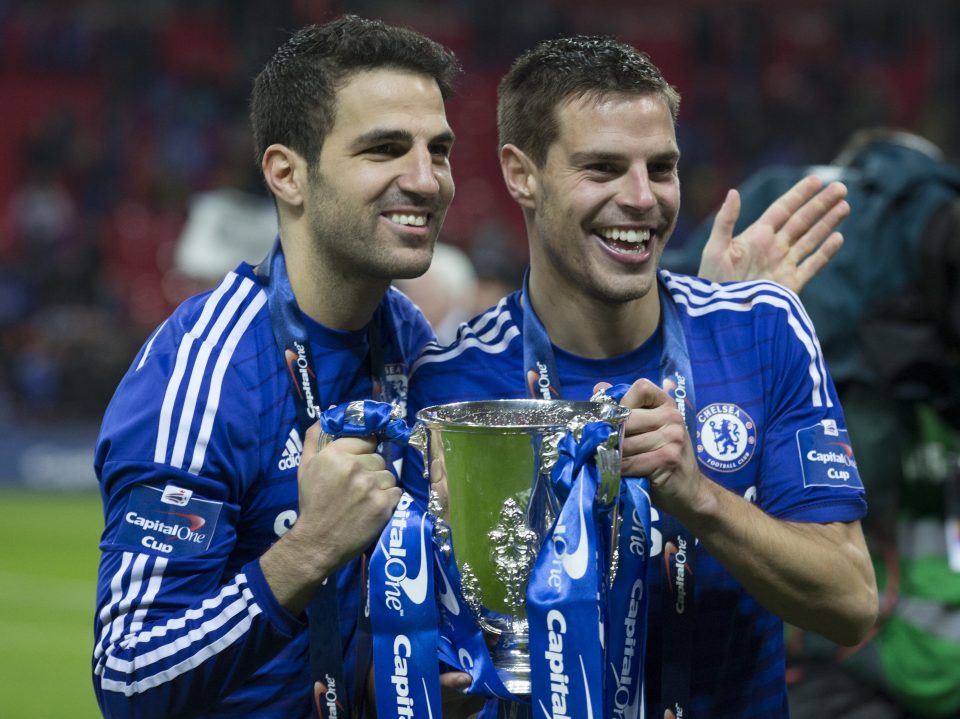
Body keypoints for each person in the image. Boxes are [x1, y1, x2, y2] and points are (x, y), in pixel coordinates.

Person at [405, 35, 878, 717]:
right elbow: (412, 671)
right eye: (602, 168)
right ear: (521, 173)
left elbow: (852, 604)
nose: (641, 199)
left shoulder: (762, 328)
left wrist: (700, 496)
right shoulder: (452, 387)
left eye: (661, 168)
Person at [90, 16, 470, 718]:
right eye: (386, 148)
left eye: (438, 150)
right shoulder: (205, 374)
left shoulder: (412, 344)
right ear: (287, 174)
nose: (427, 180)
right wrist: (309, 549)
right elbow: (127, 677)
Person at [675, 129, 960, 719]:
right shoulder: (918, 382)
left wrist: (715, 314)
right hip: (863, 646)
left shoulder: (779, 199)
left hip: (824, 648)